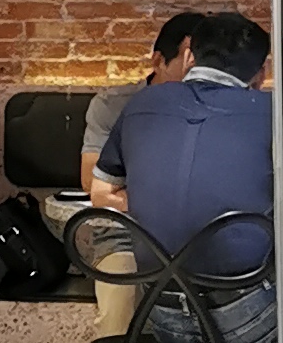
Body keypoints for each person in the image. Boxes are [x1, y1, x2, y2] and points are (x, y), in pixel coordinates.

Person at [95, 7, 282, 343]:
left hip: (160, 309)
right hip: (245, 315)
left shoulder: (141, 104)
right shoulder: (278, 113)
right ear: (261, 74)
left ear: (189, 58)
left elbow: (101, 188)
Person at [79, 10, 205, 201]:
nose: (202, 76)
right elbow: (91, 180)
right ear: (158, 61)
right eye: (191, 65)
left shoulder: (221, 109)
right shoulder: (114, 105)